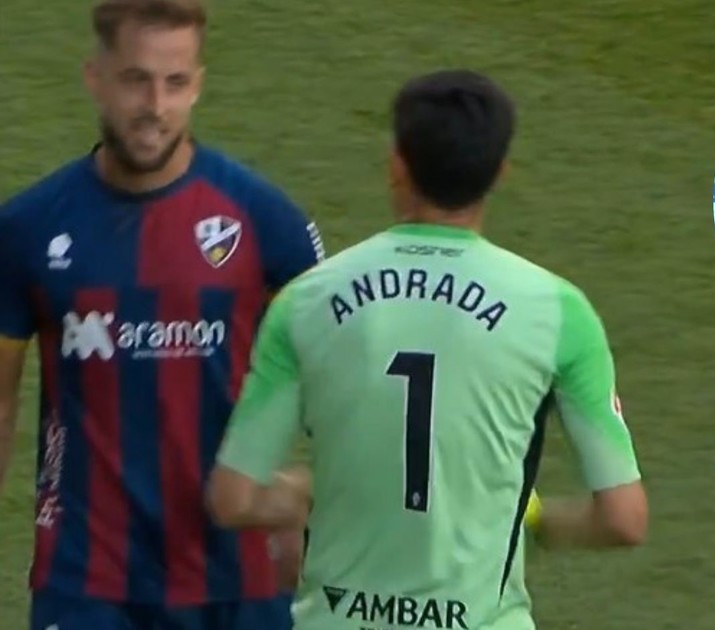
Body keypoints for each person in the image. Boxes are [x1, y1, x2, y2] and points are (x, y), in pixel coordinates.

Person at [206, 69, 649, 630]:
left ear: (397, 164)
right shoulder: (559, 311)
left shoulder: (308, 300)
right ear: (500, 173)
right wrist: (531, 519)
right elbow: (623, 519)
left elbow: (234, 499)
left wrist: (304, 494)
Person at [0, 0, 324, 628]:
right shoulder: (27, 227)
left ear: (197, 84)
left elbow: (345, 371)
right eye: (136, 80)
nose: (155, 105)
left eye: (175, 83)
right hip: (86, 581)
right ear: (96, 78)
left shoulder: (264, 220)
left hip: (239, 580)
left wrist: (305, 495)